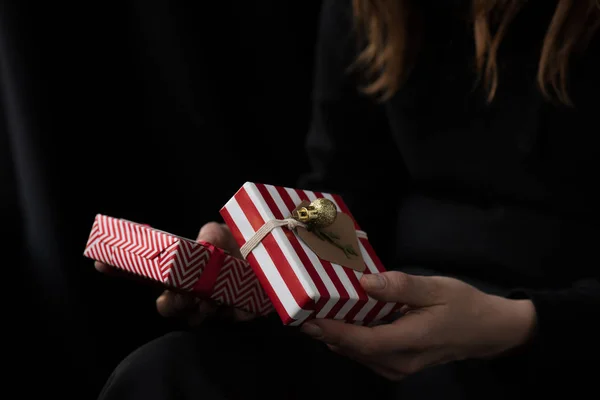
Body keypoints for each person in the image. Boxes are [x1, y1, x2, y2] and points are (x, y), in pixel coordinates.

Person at [95, 1, 600, 399]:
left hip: (559, 329)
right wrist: (280, 254)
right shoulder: (370, 8)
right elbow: (345, 193)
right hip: (390, 314)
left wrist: (518, 324)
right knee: (165, 375)